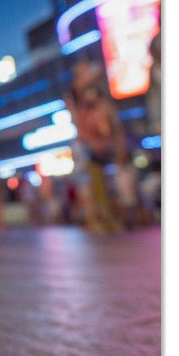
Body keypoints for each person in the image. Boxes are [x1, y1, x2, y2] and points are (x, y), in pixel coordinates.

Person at [65, 62, 125, 232]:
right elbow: (80, 126)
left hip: (102, 146)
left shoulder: (98, 98)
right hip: (86, 146)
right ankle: (94, 219)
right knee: (88, 185)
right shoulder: (76, 97)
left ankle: (108, 217)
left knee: (107, 185)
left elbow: (112, 127)